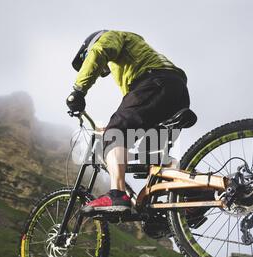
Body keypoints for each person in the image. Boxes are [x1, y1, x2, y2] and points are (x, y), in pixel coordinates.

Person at [66, 30, 190, 214]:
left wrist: (78, 90)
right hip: (176, 91)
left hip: (155, 82)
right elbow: (138, 108)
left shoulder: (112, 36)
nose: (103, 71)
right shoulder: (138, 56)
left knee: (116, 134)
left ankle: (117, 194)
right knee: (152, 156)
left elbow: (100, 51)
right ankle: (193, 196)